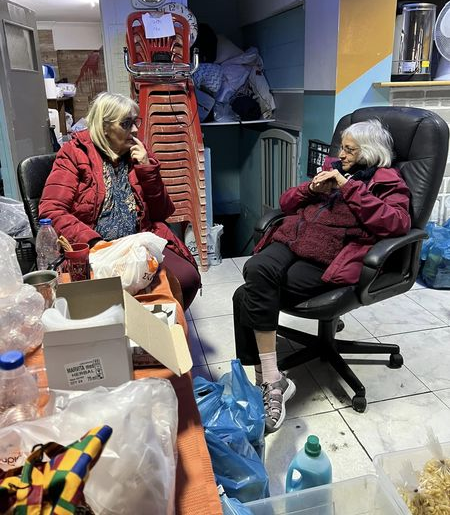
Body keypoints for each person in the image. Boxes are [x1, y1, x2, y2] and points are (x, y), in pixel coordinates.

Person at [233, 119, 411, 433]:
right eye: (342, 147)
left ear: (369, 152)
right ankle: (272, 380)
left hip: (330, 254)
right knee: (257, 269)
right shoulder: (332, 170)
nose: (340, 154)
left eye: (349, 150)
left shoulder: (387, 181)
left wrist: (348, 187)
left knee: (246, 295)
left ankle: (267, 379)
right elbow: (286, 203)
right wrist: (311, 189)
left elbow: (396, 223)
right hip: (293, 237)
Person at [39, 91, 200, 309]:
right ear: (104, 127)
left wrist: (147, 169)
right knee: (106, 299)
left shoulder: (137, 152)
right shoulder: (74, 154)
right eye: (125, 123)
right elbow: (52, 210)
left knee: (187, 278)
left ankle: (161, 325)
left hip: (139, 239)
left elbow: (161, 213)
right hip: (96, 247)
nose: (134, 130)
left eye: (135, 122)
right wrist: (93, 242)